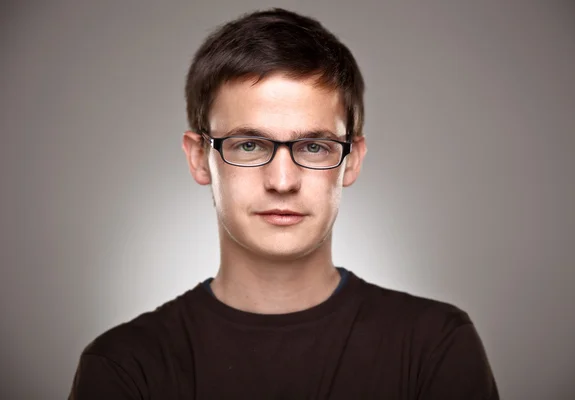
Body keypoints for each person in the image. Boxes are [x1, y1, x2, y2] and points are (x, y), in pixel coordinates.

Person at [69, 8, 499, 399]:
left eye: (313, 146)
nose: (282, 181)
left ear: (352, 160)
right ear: (199, 157)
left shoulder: (434, 345)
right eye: (250, 144)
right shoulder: (124, 367)